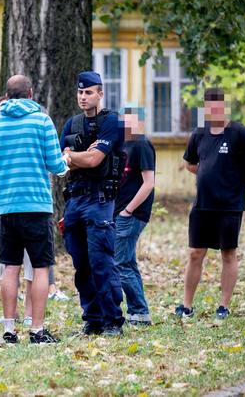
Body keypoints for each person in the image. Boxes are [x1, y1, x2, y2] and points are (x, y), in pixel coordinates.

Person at [0, 74, 69, 345]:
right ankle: (37, 330)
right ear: (31, 93)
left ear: (7, 96)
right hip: (36, 205)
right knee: (41, 267)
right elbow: (56, 165)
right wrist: (65, 160)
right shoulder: (42, 121)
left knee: (10, 267)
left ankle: (9, 331)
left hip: (7, 205)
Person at [176, 88, 245, 320]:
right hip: (202, 205)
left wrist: (239, 178)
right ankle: (187, 306)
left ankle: (223, 307)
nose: (213, 110)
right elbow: (190, 164)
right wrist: (207, 174)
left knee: (228, 253)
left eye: (218, 106)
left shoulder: (239, 133)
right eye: (209, 106)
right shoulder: (199, 134)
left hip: (229, 205)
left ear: (225, 107)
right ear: (205, 108)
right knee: (195, 253)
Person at [61, 71, 125, 337]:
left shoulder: (112, 122)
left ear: (100, 93)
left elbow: (94, 161)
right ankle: (93, 319)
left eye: (88, 92)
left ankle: (112, 320)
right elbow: (59, 162)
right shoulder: (71, 124)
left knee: (101, 262)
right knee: (81, 264)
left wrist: (73, 156)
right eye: (80, 92)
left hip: (100, 201)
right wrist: (77, 157)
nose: (83, 97)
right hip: (75, 200)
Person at [114, 106, 155, 326]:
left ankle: (139, 310)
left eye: (131, 119)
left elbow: (149, 183)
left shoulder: (141, 144)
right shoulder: (122, 145)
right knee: (127, 262)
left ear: (140, 122)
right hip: (119, 212)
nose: (127, 123)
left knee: (120, 262)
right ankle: (139, 312)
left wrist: (128, 210)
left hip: (132, 214)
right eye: (123, 119)